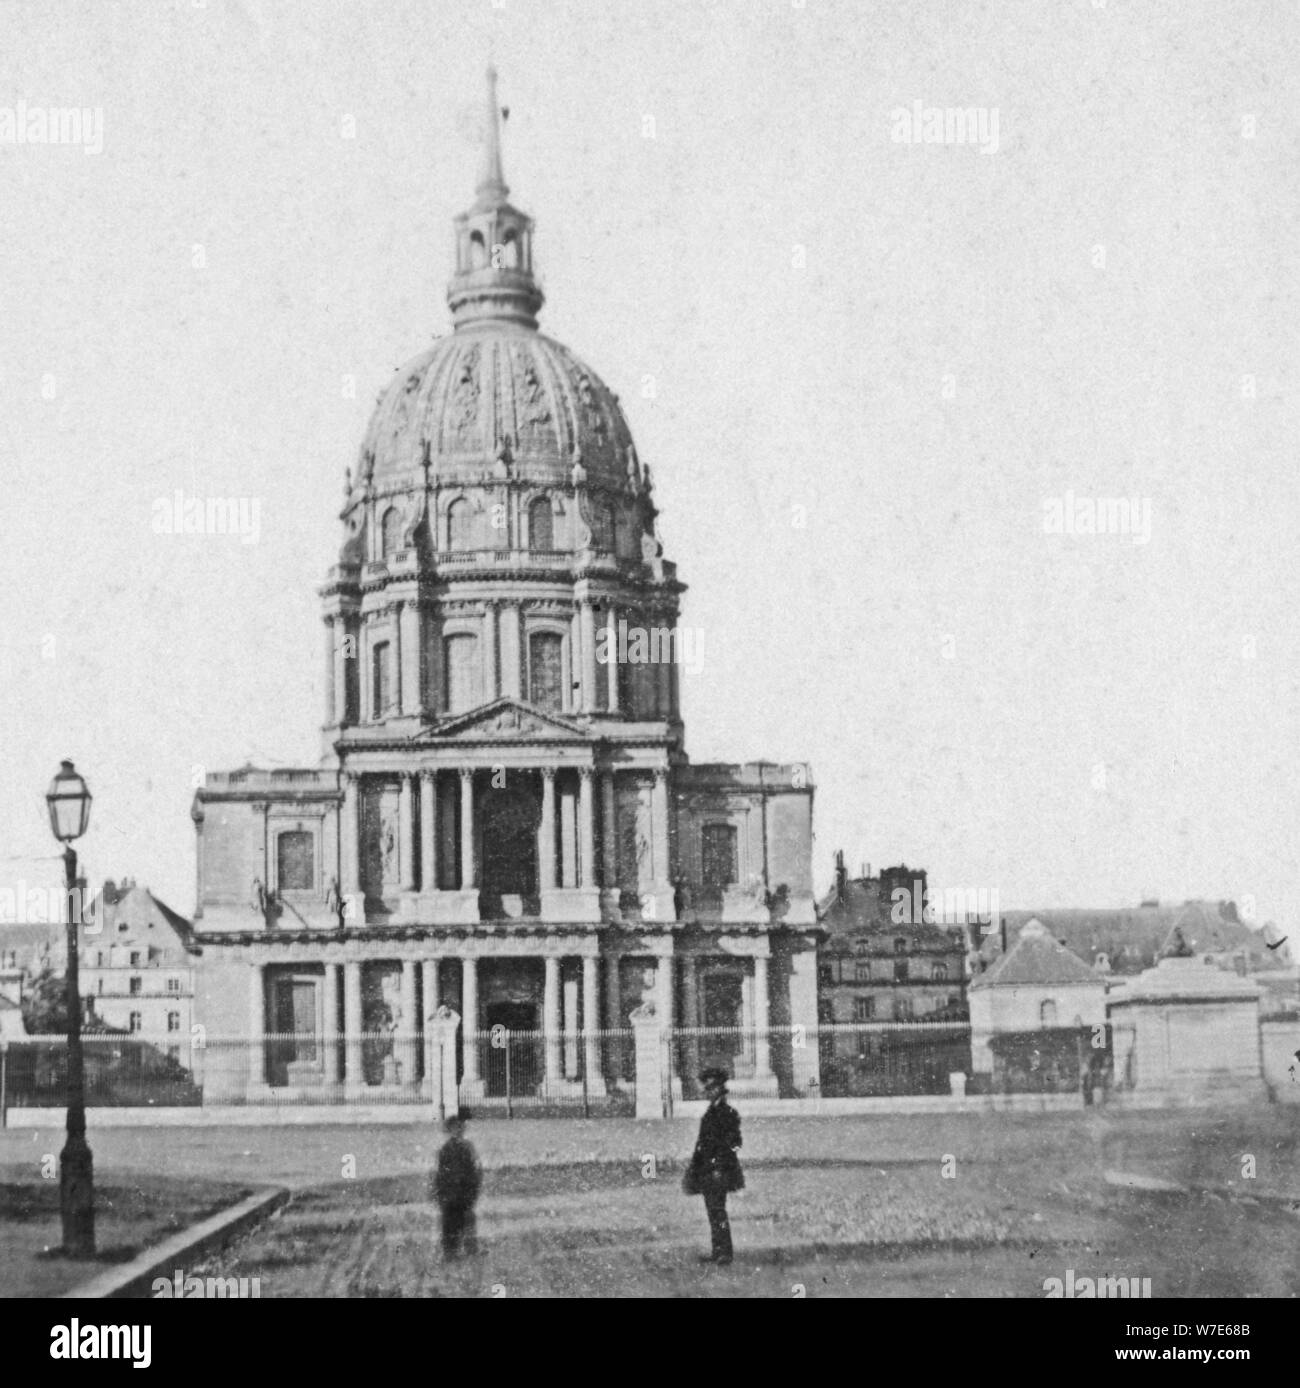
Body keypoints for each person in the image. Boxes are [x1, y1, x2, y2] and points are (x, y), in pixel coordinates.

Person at [683, 1068, 744, 1265]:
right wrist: (695, 1168)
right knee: (713, 1211)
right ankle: (718, 1251)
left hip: (718, 1171)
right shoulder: (712, 1111)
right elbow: (702, 1144)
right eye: (706, 1088)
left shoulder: (727, 1113)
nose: (708, 1092)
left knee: (718, 1211)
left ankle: (724, 1252)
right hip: (708, 1171)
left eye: (711, 1088)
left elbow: (734, 1142)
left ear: (720, 1089)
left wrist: (719, 1166)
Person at [431, 1113, 482, 1261]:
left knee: (463, 1220)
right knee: (452, 1222)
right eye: (455, 1128)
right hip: (453, 1192)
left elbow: (475, 1169)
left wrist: (473, 1187)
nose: (458, 1131)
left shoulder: (464, 1147)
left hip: (460, 1191)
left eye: (460, 1127)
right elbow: (439, 1172)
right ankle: (451, 1252)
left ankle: (465, 1250)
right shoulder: (447, 1149)